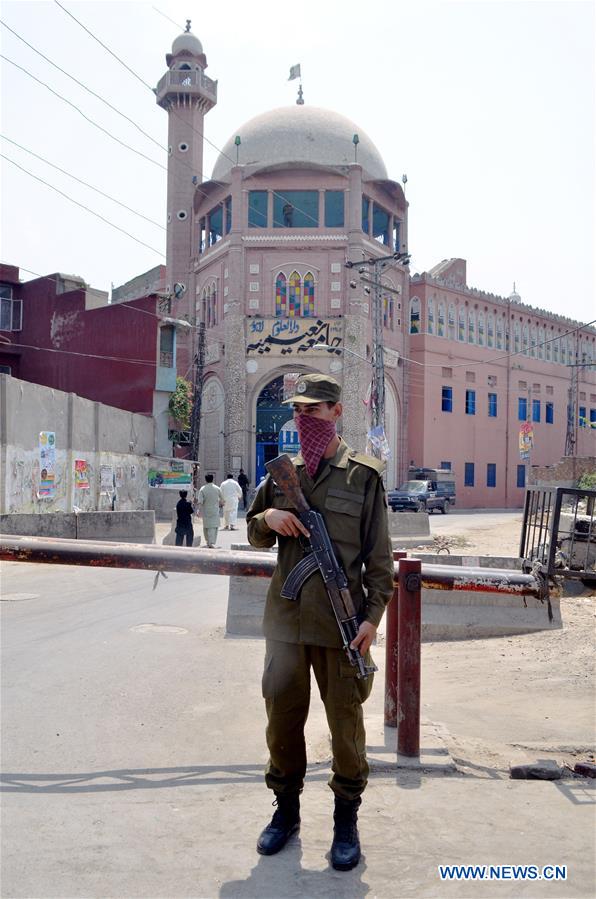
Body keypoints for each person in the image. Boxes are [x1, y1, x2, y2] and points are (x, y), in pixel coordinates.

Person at [246, 373, 394, 871]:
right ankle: (285, 813)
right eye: (299, 410)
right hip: (286, 625)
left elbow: (380, 560)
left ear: (336, 412)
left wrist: (372, 619)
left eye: (315, 408)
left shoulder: (363, 476)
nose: (304, 417)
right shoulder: (282, 475)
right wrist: (267, 519)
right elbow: (253, 534)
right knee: (282, 726)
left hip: (341, 627)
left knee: (346, 729)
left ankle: (345, 821)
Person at [197, 474, 223, 548]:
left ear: (206, 480)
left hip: (206, 511)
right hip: (215, 510)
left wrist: (199, 510)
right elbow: (222, 500)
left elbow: (200, 502)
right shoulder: (217, 488)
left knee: (207, 527)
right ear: (213, 479)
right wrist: (221, 505)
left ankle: (208, 541)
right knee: (214, 527)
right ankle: (211, 542)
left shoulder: (202, 489)